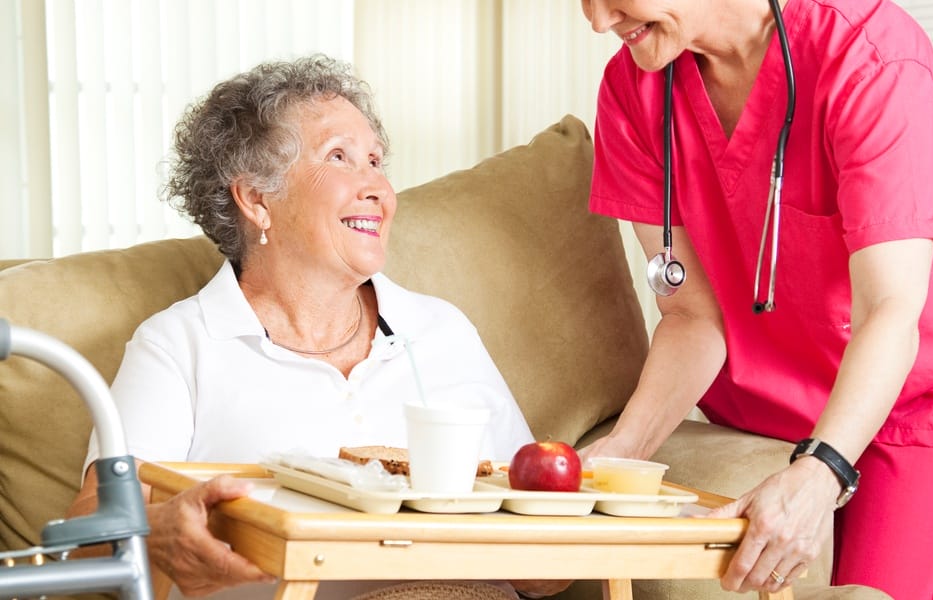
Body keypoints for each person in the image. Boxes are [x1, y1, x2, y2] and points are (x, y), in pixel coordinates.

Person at [65, 55, 562, 600]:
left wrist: (550, 548)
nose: (377, 186)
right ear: (257, 199)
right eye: (340, 158)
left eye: (376, 160)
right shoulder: (179, 345)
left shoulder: (443, 330)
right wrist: (158, 535)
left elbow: (544, 548)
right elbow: (88, 528)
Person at [578, 1, 933, 598]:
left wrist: (822, 469)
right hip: (764, 399)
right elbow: (691, 314)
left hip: (916, 396)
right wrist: (625, 450)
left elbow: (890, 309)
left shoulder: (870, 56)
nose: (597, 21)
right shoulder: (633, 88)